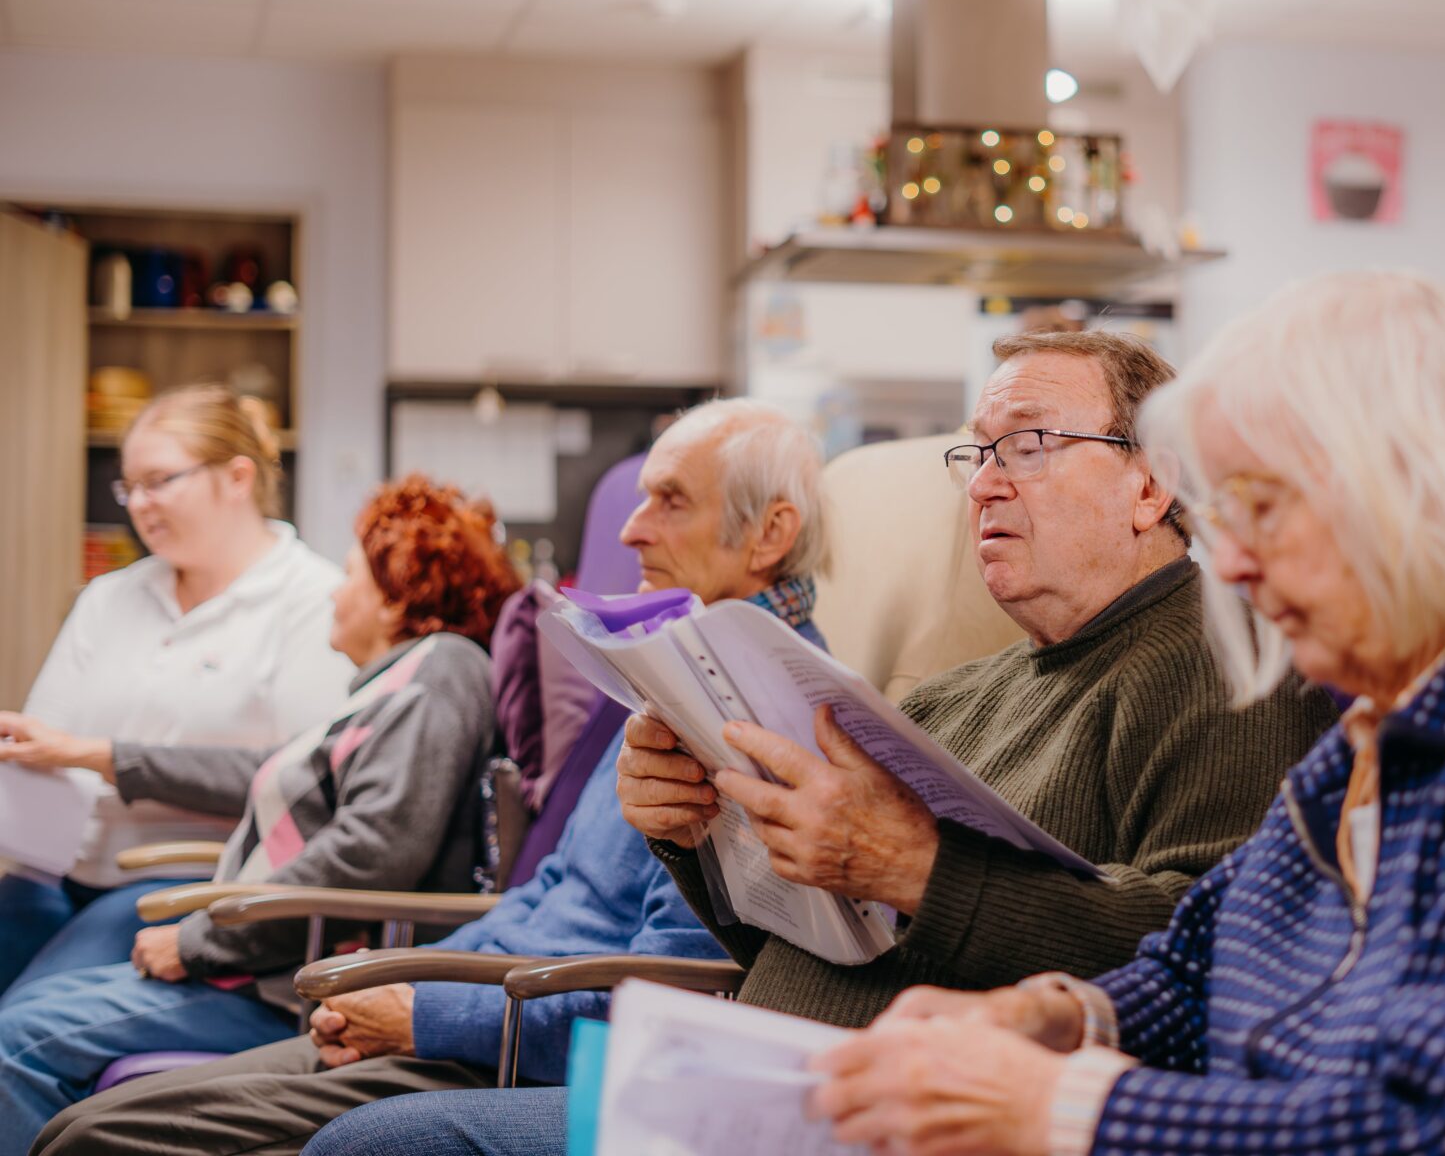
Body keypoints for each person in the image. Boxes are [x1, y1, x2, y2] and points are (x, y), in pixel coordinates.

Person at [807, 271, 1445, 1156]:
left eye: (1265, 504)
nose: (1232, 562)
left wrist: (1064, 1108)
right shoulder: (1377, 727)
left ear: (1418, 486)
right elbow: (1199, 958)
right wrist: (1057, 1017)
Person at [297, 332, 1339, 1156]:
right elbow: (799, 933)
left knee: (370, 1143)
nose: (980, 483)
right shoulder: (949, 694)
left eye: (1025, 444)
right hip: (749, 1069)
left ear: (1152, 483)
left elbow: (1206, 946)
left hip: (881, 1108)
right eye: (975, 453)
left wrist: (917, 868)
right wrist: (693, 834)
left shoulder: (1227, 663)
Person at [27, 399, 829, 1156]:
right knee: (85, 1124)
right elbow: (544, 894)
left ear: (768, 535)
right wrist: (404, 988)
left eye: (670, 501)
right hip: (478, 1005)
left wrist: (422, 1012)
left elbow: (666, 993)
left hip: (503, 1044)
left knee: (95, 1136)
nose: (629, 528)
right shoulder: (674, 687)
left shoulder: (757, 722)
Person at [0, 476, 519, 1155]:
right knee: (25, 1015)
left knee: (14, 1044)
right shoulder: (392, 688)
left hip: (285, 985)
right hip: (265, 966)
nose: (335, 591)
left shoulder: (440, 672)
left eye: (353, 574)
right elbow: (261, 774)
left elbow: (372, 853)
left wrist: (200, 941)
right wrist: (102, 755)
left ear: (401, 592)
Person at [0, 386, 351, 993]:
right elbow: (46, 745)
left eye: (159, 481)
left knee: (22, 1021)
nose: (139, 504)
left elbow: (298, 782)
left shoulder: (313, 601)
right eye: (128, 486)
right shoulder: (109, 598)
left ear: (237, 477)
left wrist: (102, 757)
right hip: (59, 872)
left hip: (184, 886)